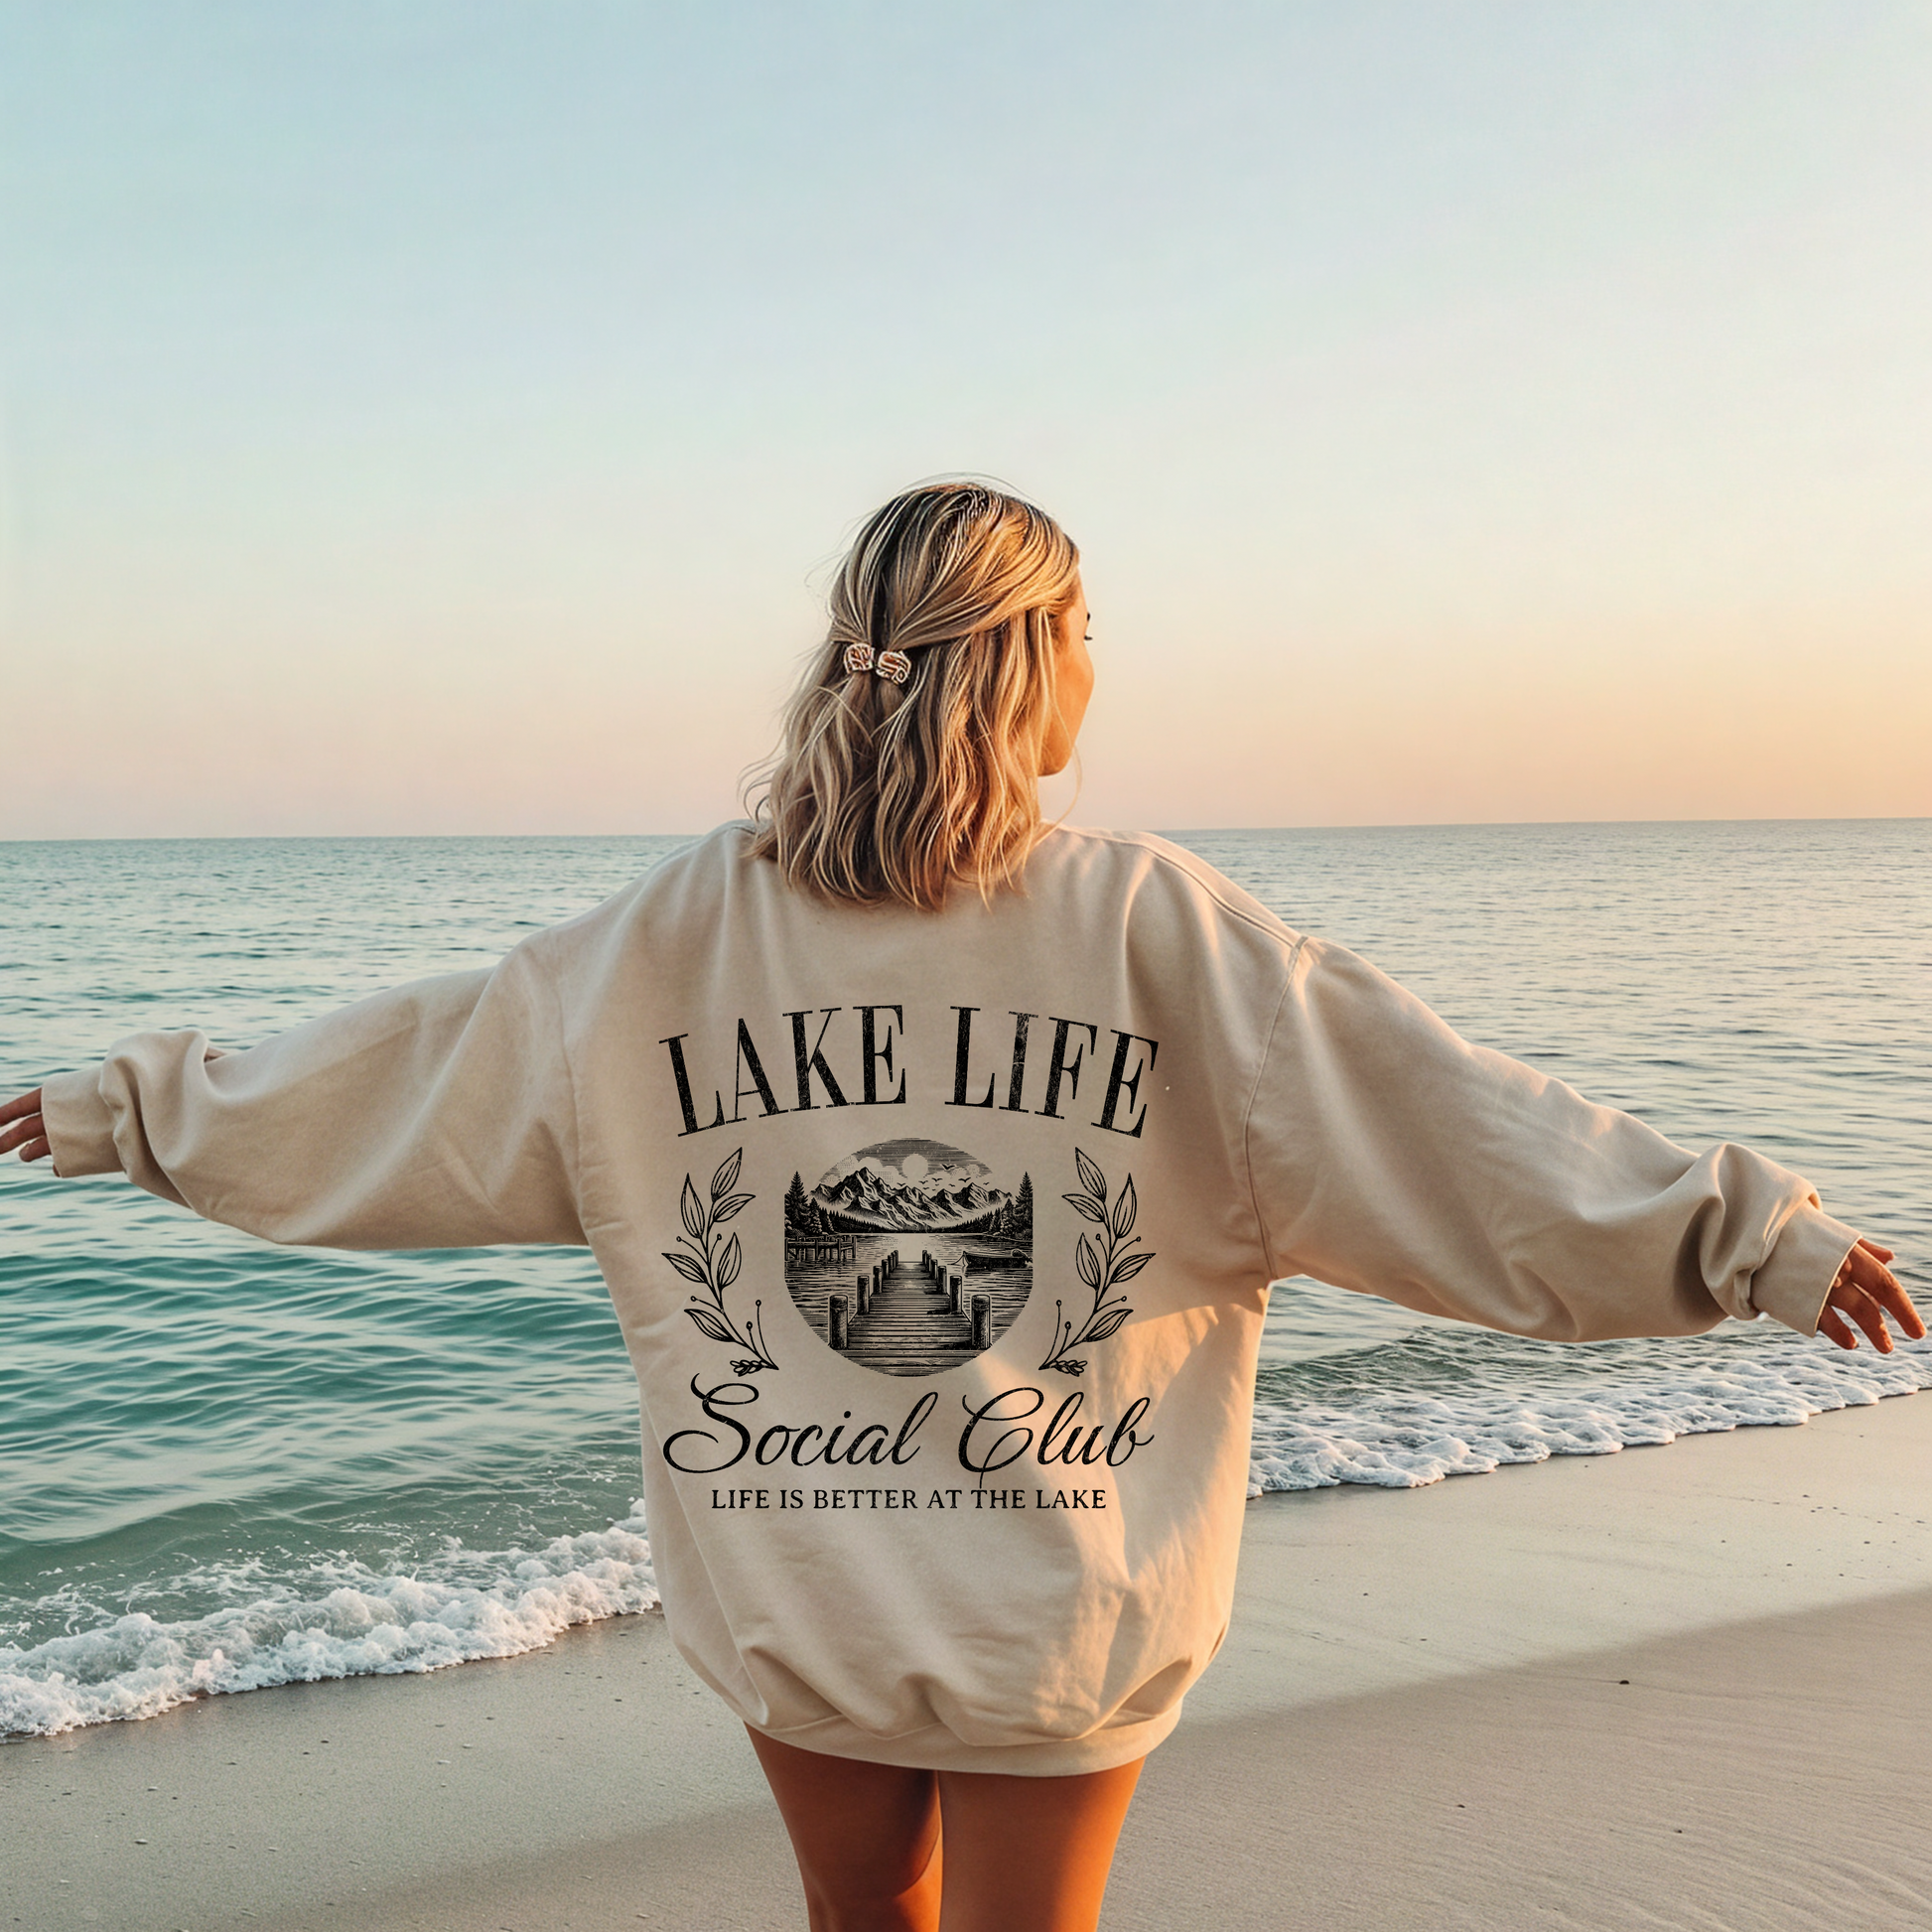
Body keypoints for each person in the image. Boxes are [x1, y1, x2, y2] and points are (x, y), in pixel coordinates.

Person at [2, 479, 1920, 1932]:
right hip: (1062, 1581)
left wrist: (130, 1108)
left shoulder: (675, 931)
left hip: (797, 1557)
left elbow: (415, 1072)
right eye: (1089, 631)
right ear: (1033, 652)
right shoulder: (1154, 923)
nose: (1098, 669)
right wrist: (1742, 1237)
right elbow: (1439, 1125)